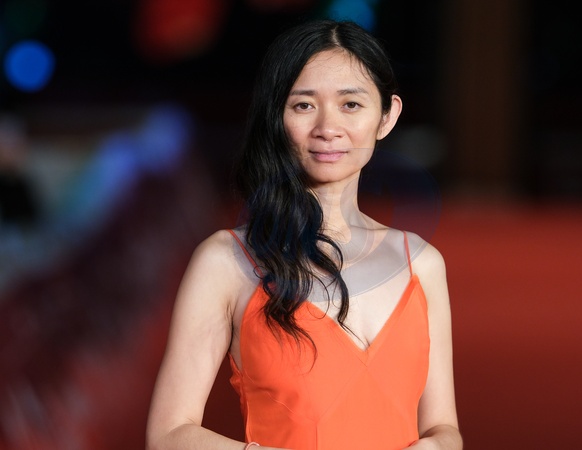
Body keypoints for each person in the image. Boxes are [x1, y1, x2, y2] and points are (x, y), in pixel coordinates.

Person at [146, 19, 462, 450]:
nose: (328, 127)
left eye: (351, 104)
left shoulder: (421, 263)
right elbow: (168, 435)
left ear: (387, 117)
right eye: (304, 105)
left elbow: (443, 428)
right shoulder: (226, 261)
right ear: (276, 116)